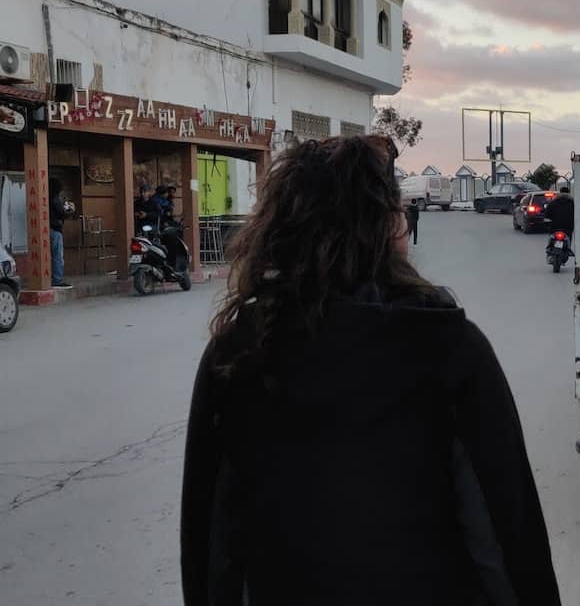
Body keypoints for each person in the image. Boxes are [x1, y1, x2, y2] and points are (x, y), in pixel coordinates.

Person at [181, 135, 560, 606]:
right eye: (396, 209)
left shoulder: (237, 353)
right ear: (384, 227)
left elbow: (212, 540)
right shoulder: (445, 345)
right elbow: (503, 532)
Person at [48, 178, 74, 289]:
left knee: (49, 255)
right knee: (57, 256)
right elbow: (62, 213)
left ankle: (50, 278)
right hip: (55, 229)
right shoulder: (55, 199)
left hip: (46, 229)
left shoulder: (46, 197)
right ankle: (57, 280)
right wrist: (71, 210)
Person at [544, 184, 574, 252]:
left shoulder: (553, 202)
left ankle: (549, 247)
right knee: (568, 236)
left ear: (559, 193)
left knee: (551, 236)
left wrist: (547, 221)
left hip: (554, 226)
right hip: (568, 226)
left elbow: (547, 214)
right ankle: (568, 249)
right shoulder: (572, 203)